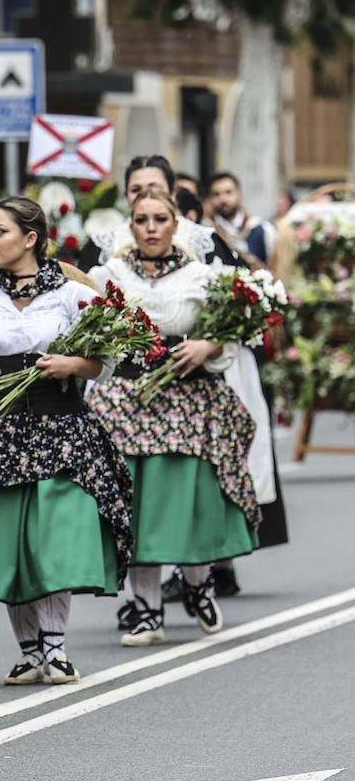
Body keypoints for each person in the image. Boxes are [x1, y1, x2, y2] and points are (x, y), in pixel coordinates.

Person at [0, 197, 134, 684]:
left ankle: (56, 647)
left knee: (51, 539)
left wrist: (71, 366)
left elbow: (103, 363)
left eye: (0, 231)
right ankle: (29, 650)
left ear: (31, 238)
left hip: (58, 428)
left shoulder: (74, 297)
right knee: (8, 544)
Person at [88, 186, 260, 645]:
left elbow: (231, 332)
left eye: (159, 219)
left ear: (174, 225)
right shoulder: (108, 275)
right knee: (136, 507)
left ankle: (199, 585)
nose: (150, 228)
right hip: (129, 401)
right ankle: (147, 610)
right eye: (140, 219)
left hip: (190, 401)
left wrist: (209, 344)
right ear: (130, 226)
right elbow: (92, 338)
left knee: (188, 502)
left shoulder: (203, 277)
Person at [207, 172, 274, 268]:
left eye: (228, 192)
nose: (223, 199)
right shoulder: (208, 231)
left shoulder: (262, 228)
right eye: (216, 194)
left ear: (240, 195)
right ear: (210, 199)